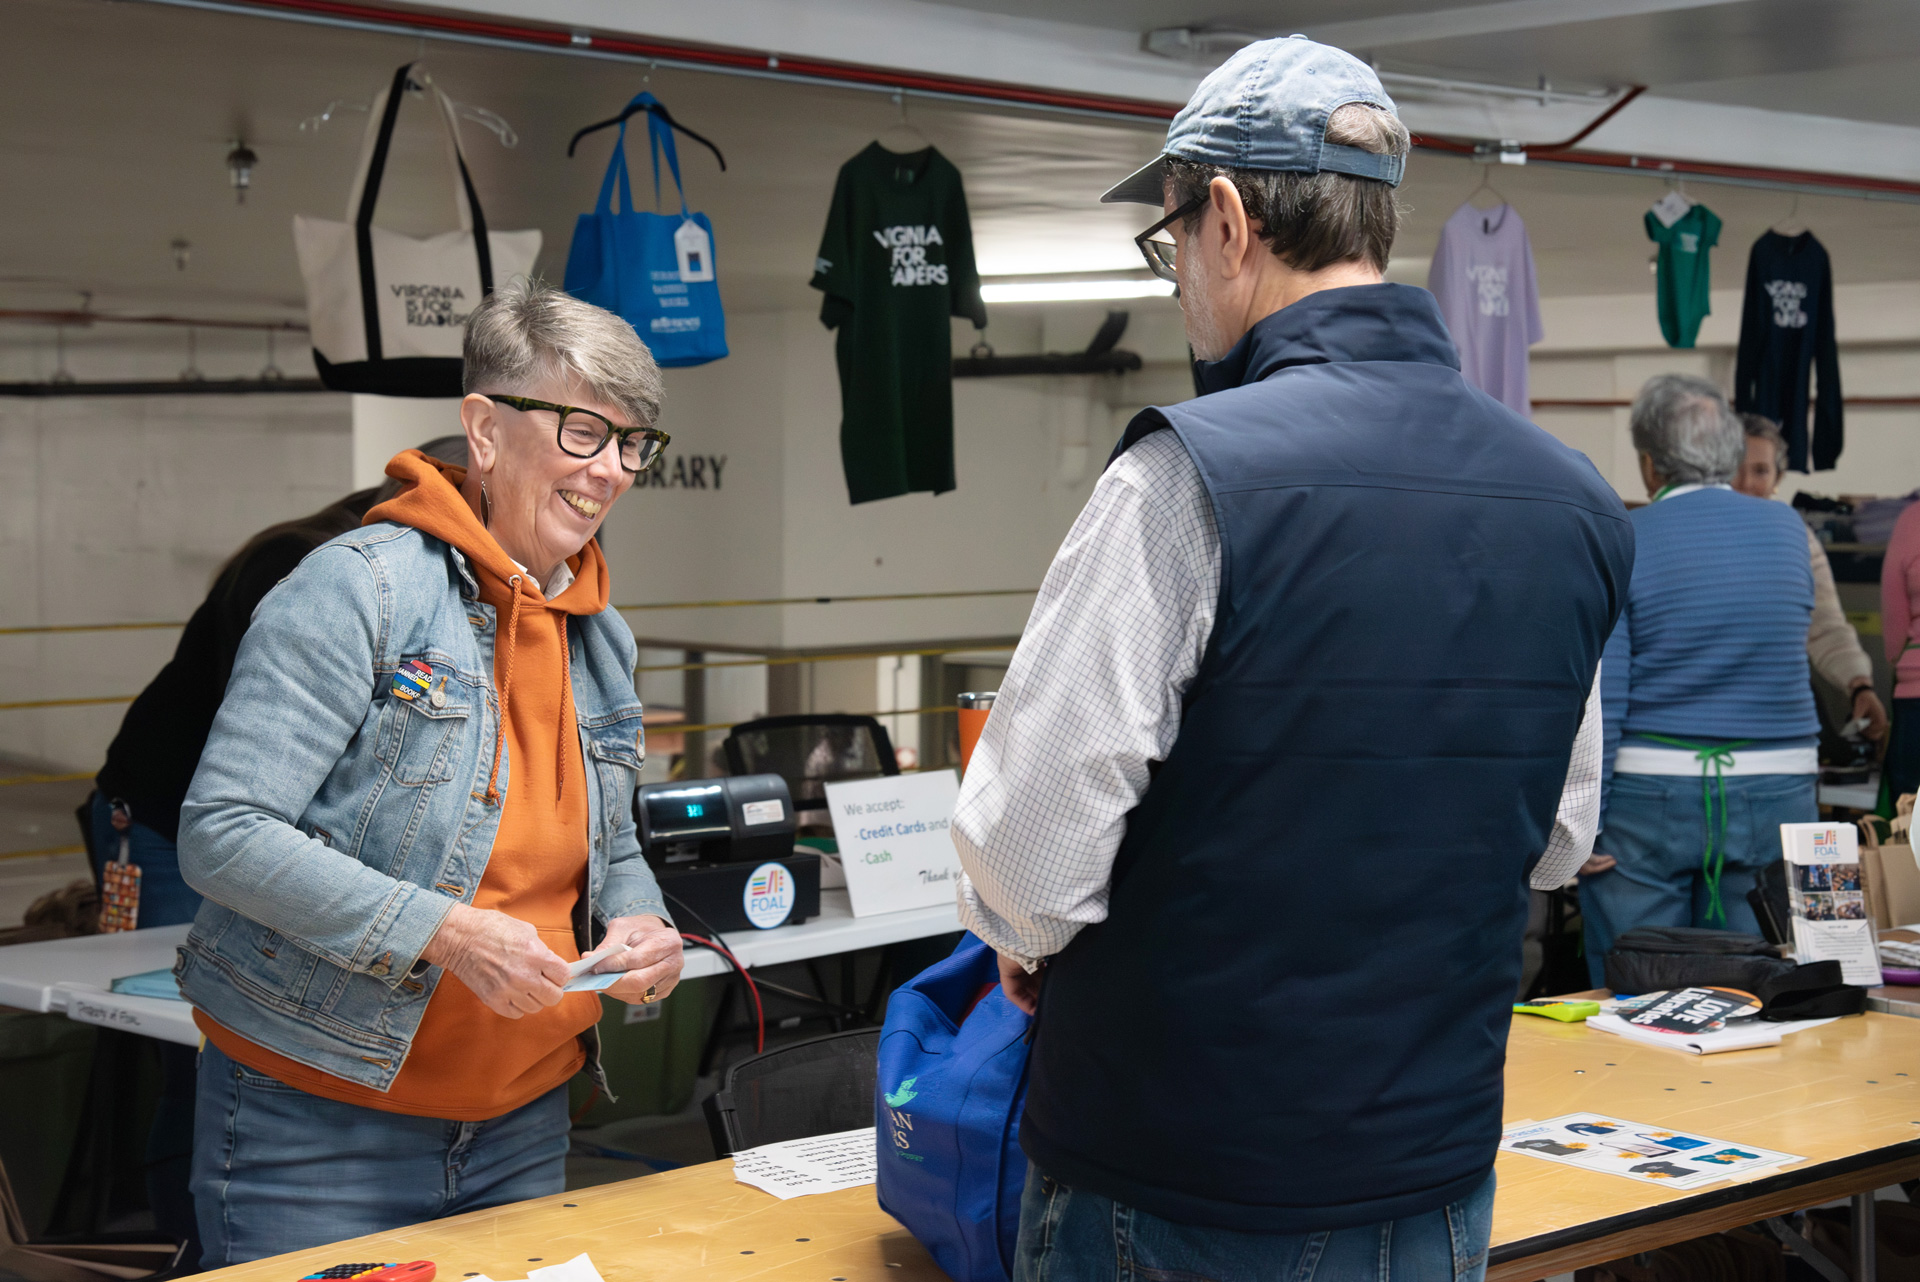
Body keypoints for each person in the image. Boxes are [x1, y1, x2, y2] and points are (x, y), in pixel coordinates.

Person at [951, 37, 1632, 1282]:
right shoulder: (1574, 501)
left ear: (1227, 218)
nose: (1174, 285)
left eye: (1167, 245)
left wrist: (1019, 929)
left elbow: (1033, 866)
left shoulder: (1183, 479)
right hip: (1431, 1183)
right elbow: (1554, 836)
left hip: (1171, 1186)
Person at [177, 279, 684, 1266]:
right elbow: (223, 831)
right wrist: (446, 933)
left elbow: (612, 843)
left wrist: (642, 923)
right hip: (319, 1128)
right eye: (584, 431)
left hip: (524, 1121)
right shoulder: (357, 588)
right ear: (485, 430)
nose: (613, 469)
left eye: (632, 444)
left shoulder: (602, 638)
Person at [84, 434, 466, 1261]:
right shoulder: (315, 566)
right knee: (201, 1021)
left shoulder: (420, 578)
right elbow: (269, 751)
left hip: (243, 823)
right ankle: (185, 1239)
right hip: (156, 816)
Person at [1582, 376, 1818, 981]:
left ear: (1649, 462)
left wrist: (1588, 821)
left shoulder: (1627, 537)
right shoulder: (1792, 532)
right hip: (1779, 790)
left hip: (1651, 797)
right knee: (1761, 985)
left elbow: (1610, 692)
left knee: (1637, 982)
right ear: (1733, 455)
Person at [1732, 412, 1887, 741]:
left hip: (1775, 718)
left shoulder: (1798, 540)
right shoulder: (1692, 532)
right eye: (1735, 468)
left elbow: (1826, 626)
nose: (1746, 483)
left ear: (1778, 477)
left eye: (1760, 470)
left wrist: (1860, 685)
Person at [1882, 496, 1920, 801]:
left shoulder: (1912, 518)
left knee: (1908, 824)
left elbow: (1894, 613)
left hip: (1915, 692)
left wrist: (1898, 660)